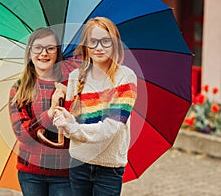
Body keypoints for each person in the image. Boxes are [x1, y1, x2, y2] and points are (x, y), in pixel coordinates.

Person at [53, 17, 137, 196]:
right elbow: (70, 127)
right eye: (93, 42)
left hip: (109, 169)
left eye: (105, 41)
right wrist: (64, 119)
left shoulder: (125, 77)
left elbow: (111, 128)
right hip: (79, 163)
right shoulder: (76, 77)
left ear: (115, 44)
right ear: (85, 45)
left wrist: (73, 128)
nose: (99, 47)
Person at [9, 27, 71, 196]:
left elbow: (77, 127)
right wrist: (50, 112)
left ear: (57, 53)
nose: (44, 53)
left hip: (64, 172)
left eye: (50, 48)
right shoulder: (20, 88)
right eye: (38, 48)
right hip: (30, 172)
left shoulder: (69, 85)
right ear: (29, 53)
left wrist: (71, 100)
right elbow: (22, 133)